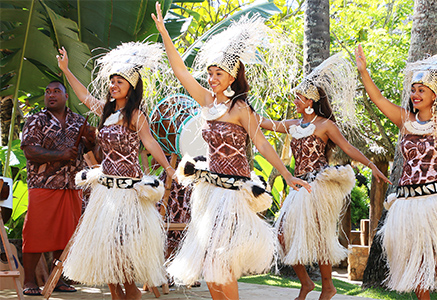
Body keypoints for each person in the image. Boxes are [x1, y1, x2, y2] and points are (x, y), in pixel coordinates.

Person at [152, 3, 311, 299]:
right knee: (211, 266)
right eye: (210, 73)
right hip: (209, 193)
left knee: (221, 261)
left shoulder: (240, 109)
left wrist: (288, 176)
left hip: (233, 195)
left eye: (218, 74)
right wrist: (164, 34)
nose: (211, 79)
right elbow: (180, 71)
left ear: (232, 77)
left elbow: (262, 143)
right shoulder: (206, 101)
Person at [355, 44, 437, 300]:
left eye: (422, 90)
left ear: (436, 94)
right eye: (414, 90)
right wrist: (364, 72)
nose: (415, 94)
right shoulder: (406, 121)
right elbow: (379, 99)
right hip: (407, 203)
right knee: (416, 262)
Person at [259, 53, 390, 300]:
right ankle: (307, 283)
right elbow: (266, 123)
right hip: (298, 187)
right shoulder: (292, 124)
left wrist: (371, 165)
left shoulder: (325, 125)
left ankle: (328, 286)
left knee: (320, 238)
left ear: (311, 100)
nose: (295, 100)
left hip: (318, 186)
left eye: (299, 97)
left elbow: (348, 148)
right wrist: (242, 108)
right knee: (282, 236)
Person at [57, 42, 175, 300]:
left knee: (123, 256)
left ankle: (132, 295)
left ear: (131, 86)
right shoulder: (106, 111)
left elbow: (150, 142)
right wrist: (66, 70)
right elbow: (83, 97)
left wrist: (167, 167)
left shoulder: (135, 115)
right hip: (106, 194)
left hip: (128, 193)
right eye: (112, 81)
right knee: (106, 253)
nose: (114, 85)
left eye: (119, 81)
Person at [20, 81, 95, 295]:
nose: (51, 95)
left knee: (66, 235)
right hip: (43, 184)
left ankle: (58, 279)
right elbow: (30, 151)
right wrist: (60, 155)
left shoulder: (78, 121)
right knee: (35, 231)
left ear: (65, 97)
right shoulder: (35, 120)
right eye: (47, 92)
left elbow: (92, 151)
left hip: (71, 185)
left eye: (56, 91)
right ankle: (29, 281)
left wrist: (91, 141)